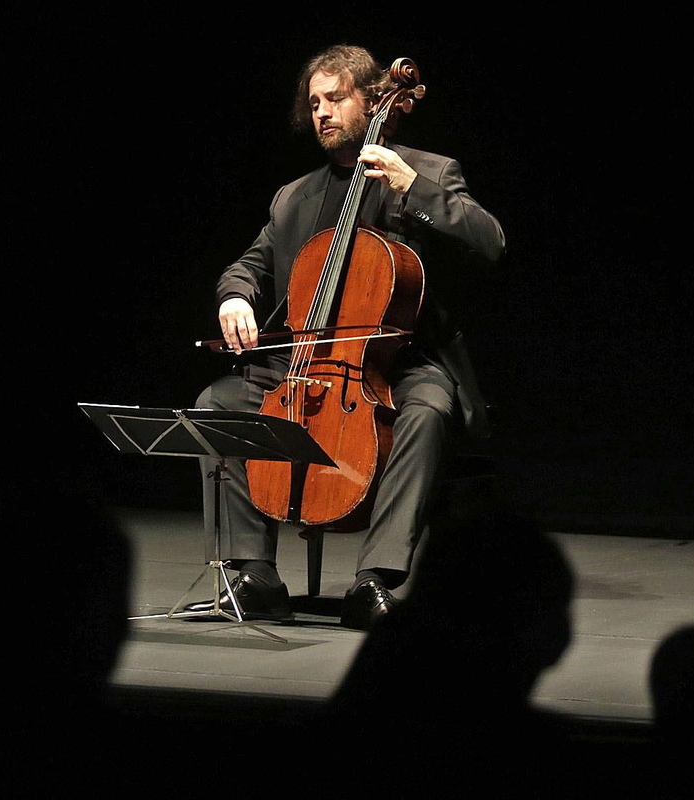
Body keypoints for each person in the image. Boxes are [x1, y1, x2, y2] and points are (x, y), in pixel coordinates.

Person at [190, 44, 504, 630]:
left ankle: (374, 579)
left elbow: (492, 243)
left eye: (334, 99)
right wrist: (234, 297)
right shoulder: (294, 197)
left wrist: (417, 192)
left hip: (401, 360)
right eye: (313, 104)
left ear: (370, 99)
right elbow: (248, 266)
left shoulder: (429, 172)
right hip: (308, 366)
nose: (322, 113)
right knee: (219, 404)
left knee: (429, 408)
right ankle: (254, 577)